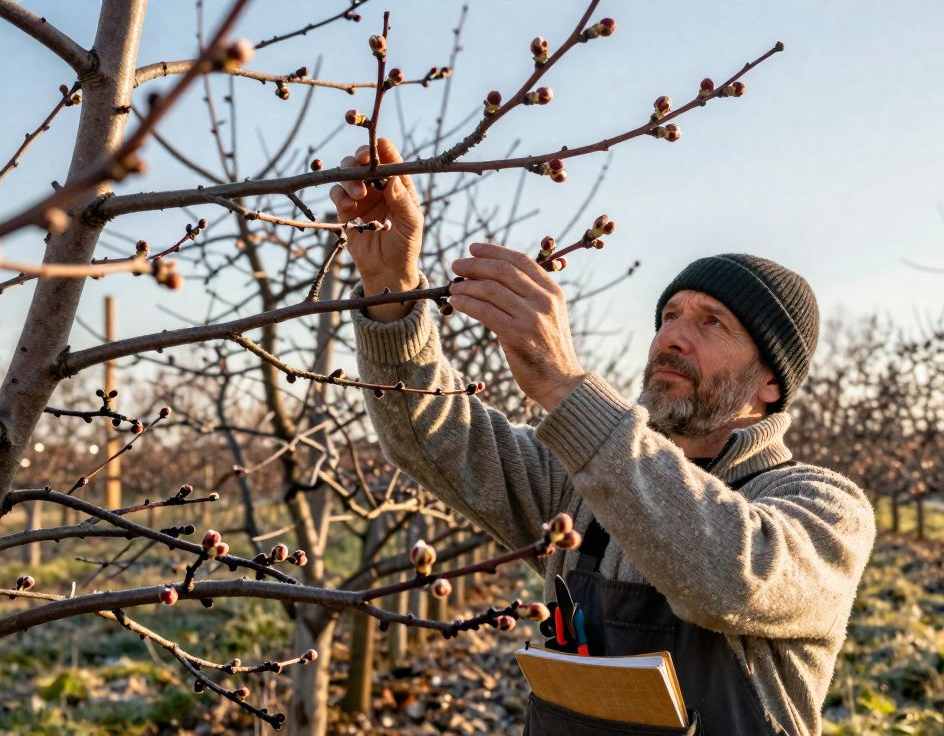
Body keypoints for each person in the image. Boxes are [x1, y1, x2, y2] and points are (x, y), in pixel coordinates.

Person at [332, 140, 875, 736]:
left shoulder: (826, 508)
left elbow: (731, 576)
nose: (672, 337)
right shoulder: (581, 486)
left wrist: (567, 388)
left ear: (771, 379)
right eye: (669, 315)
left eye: (711, 322)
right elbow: (434, 440)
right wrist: (390, 288)